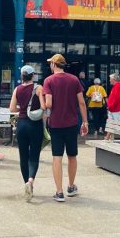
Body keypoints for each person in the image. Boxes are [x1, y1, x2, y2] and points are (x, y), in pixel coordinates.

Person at [43, 54, 88, 203]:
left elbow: (48, 104)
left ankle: (59, 192)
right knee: (72, 155)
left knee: (57, 157)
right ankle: (71, 186)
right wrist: (85, 122)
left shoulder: (48, 81)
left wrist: (42, 101)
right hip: (72, 123)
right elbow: (81, 102)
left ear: (54, 64)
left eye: (51, 63)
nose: (50, 65)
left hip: (56, 124)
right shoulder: (74, 79)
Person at [9, 65, 44, 201]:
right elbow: (43, 106)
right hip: (35, 124)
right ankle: (30, 181)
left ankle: (26, 184)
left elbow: (12, 108)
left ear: (21, 76)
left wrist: (22, 108)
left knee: (23, 157)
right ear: (33, 76)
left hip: (21, 124)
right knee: (34, 156)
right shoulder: (38, 88)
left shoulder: (17, 89)